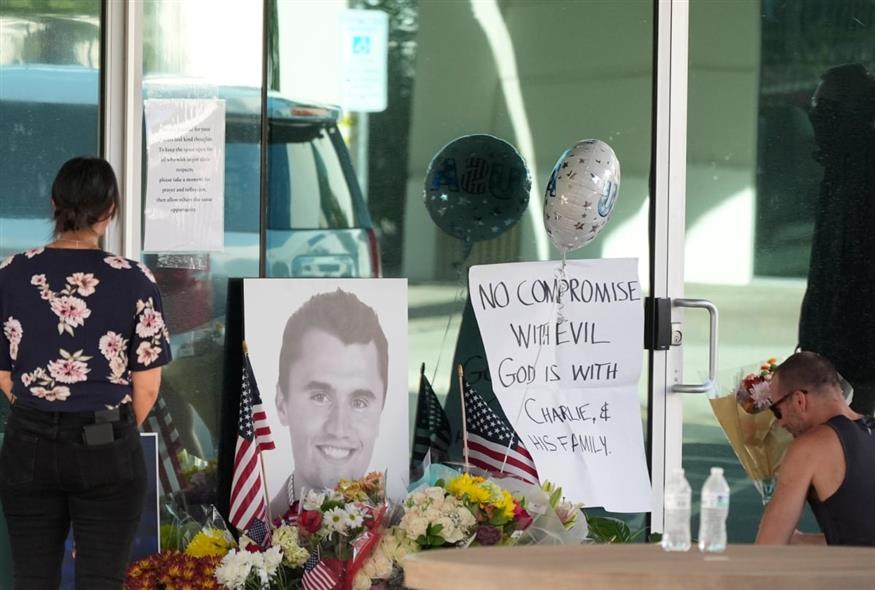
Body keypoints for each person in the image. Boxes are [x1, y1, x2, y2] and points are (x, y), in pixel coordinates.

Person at [0, 156, 172, 588]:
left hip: (29, 440)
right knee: (101, 579)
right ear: (110, 210)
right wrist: (109, 437)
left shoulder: (10, 274)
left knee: (32, 578)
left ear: (54, 204)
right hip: (106, 441)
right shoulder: (134, 279)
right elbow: (147, 388)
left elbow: (3, 373)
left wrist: (41, 411)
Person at [269, 288, 388, 517]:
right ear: (282, 403)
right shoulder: (252, 529)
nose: (339, 428)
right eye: (320, 397)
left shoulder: (405, 528)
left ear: (380, 412)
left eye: (359, 402)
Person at [798, 63, 875, 416]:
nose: (815, 117)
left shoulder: (861, 176)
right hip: (832, 358)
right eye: (814, 107)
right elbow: (825, 272)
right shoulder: (838, 173)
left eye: (826, 108)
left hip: (860, 362)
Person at [755, 351, 875, 546]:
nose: (781, 423)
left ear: (799, 400)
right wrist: (801, 540)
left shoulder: (809, 448)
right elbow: (861, 537)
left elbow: (767, 547)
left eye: (777, 411)